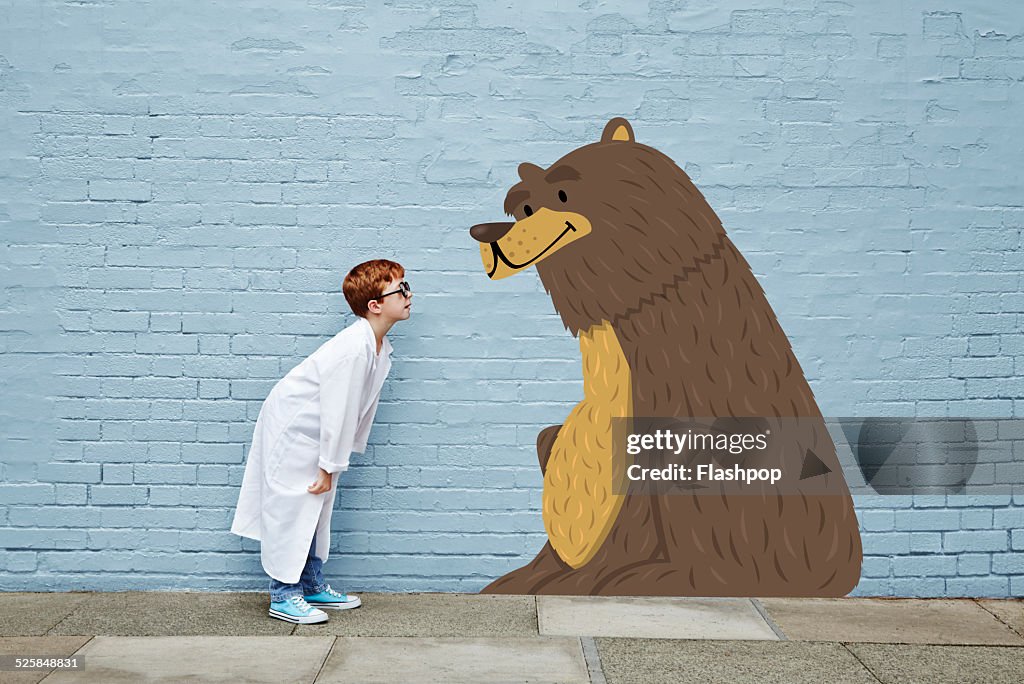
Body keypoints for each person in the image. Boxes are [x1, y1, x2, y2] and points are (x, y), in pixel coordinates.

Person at [230, 259, 412, 624]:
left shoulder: (376, 344)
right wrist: (329, 464)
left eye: (407, 287)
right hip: (296, 428)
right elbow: (338, 411)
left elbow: (350, 411)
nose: (409, 295)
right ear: (374, 305)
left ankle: (311, 584)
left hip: (316, 431)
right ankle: (283, 595)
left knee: (317, 508)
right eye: (401, 289)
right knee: (293, 507)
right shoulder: (353, 349)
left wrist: (334, 460)